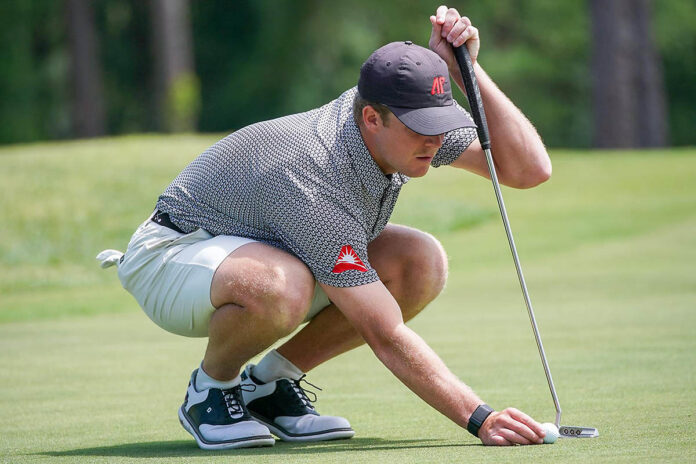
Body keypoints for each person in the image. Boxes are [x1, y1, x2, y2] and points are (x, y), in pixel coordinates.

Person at [98, 6, 552, 449]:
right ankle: (211, 388)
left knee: (419, 262)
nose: (433, 140)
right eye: (421, 129)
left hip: (257, 252)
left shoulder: (408, 123)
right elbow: (384, 332)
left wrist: (468, 71)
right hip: (172, 256)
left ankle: (269, 387)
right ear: (372, 118)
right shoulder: (315, 174)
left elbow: (529, 170)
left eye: (440, 124)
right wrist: (481, 418)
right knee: (283, 285)